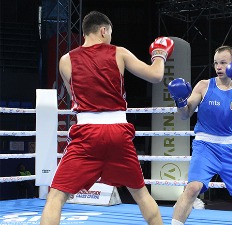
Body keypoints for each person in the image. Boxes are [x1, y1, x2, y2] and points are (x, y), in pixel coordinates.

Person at [40, 11, 174, 225]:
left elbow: (75, 97)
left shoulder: (66, 61)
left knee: (56, 196)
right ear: (103, 30)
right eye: (110, 33)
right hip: (118, 132)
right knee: (140, 194)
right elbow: (156, 75)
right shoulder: (119, 53)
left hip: (86, 134)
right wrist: (159, 55)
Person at [168, 45, 232, 225]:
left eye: (223, 62)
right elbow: (185, 115)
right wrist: (180, 100)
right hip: (205, 145)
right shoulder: (204, 85)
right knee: (192, 188)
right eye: (216, 63)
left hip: (229, 147)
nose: (218, 67)